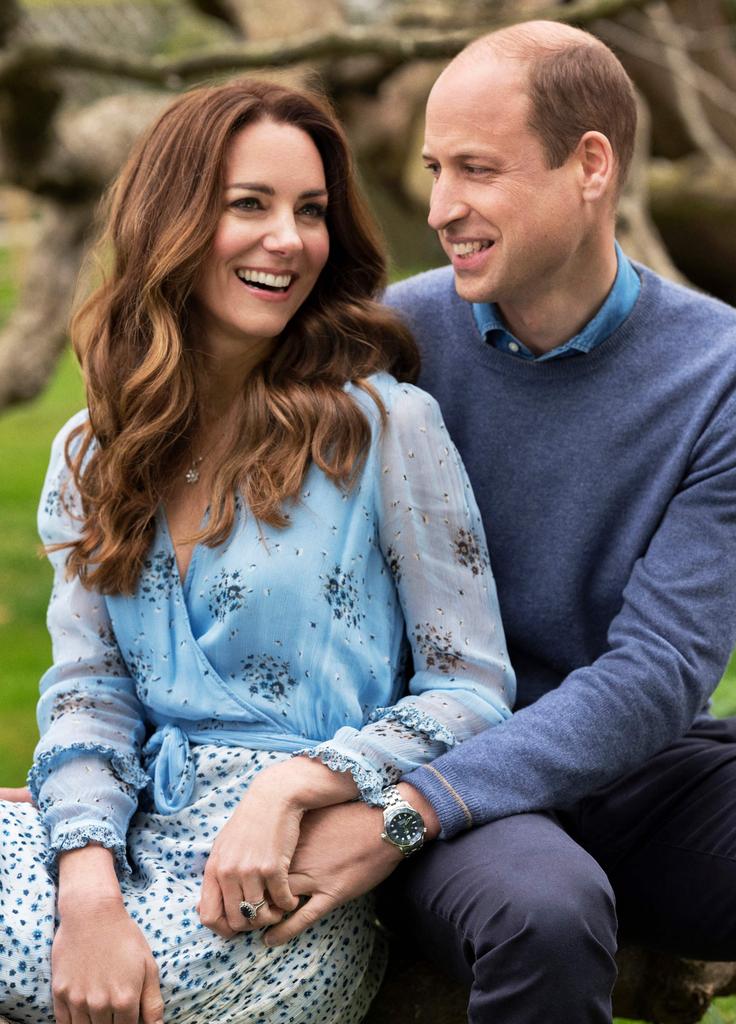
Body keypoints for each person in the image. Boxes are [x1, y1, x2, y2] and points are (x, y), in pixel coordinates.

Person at [250, 19, 736, 1024]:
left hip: (635, 767)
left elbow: (661, 671)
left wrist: (404, 815)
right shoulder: (390, 345)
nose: (442, 207)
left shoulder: (731, 379)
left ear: (590, 166)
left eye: (477, 170)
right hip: (432, 753)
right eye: (436, 169)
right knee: (546, 914)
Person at [0, 78, 516, 1024]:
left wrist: (297, 784)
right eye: (251, 204)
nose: (290, 238)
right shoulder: (93, 449)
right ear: (173, 222)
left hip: (291, 880)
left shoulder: (386, 428)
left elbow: (472, 684)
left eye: (311, 211)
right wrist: (87, 891)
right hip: (120, 835)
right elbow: (87, 693)